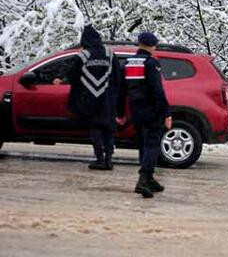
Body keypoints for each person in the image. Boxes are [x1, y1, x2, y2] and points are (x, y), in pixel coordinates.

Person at [54, 24, 121, 170]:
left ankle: (99, 159)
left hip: (89, 98)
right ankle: (109, 159)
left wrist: (60, 79)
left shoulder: (83, 56)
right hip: (107, 99)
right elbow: (117, 76)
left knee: (95, 128)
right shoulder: (110, 54)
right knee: (108, 129)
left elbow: (73, 75)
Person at [117, 32, 172, 199]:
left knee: (143, 144)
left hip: (136, 110)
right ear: (153, 46)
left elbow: (121, 90)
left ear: (139, 43)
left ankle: (149, 178)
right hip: (152, 110)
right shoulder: (151, 63)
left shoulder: (128, 63)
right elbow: (157, 90)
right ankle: (143, 179)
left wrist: (120, 112)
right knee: (152, 145)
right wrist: (166, 113)